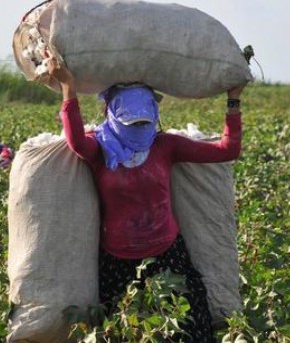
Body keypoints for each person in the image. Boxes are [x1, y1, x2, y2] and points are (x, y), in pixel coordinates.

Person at [47, 57, 245, 342]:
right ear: (112, 114)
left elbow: (228, 150)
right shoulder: (101, 149)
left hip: (168, 253)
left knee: (190, 327)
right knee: (123, 330)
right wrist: (68, 86)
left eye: (143, 122)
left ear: (154, 115)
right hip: (118, 260)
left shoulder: (165, 146)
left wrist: (233, 100)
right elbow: (75, 142)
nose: (138, 129)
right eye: (131, 122)